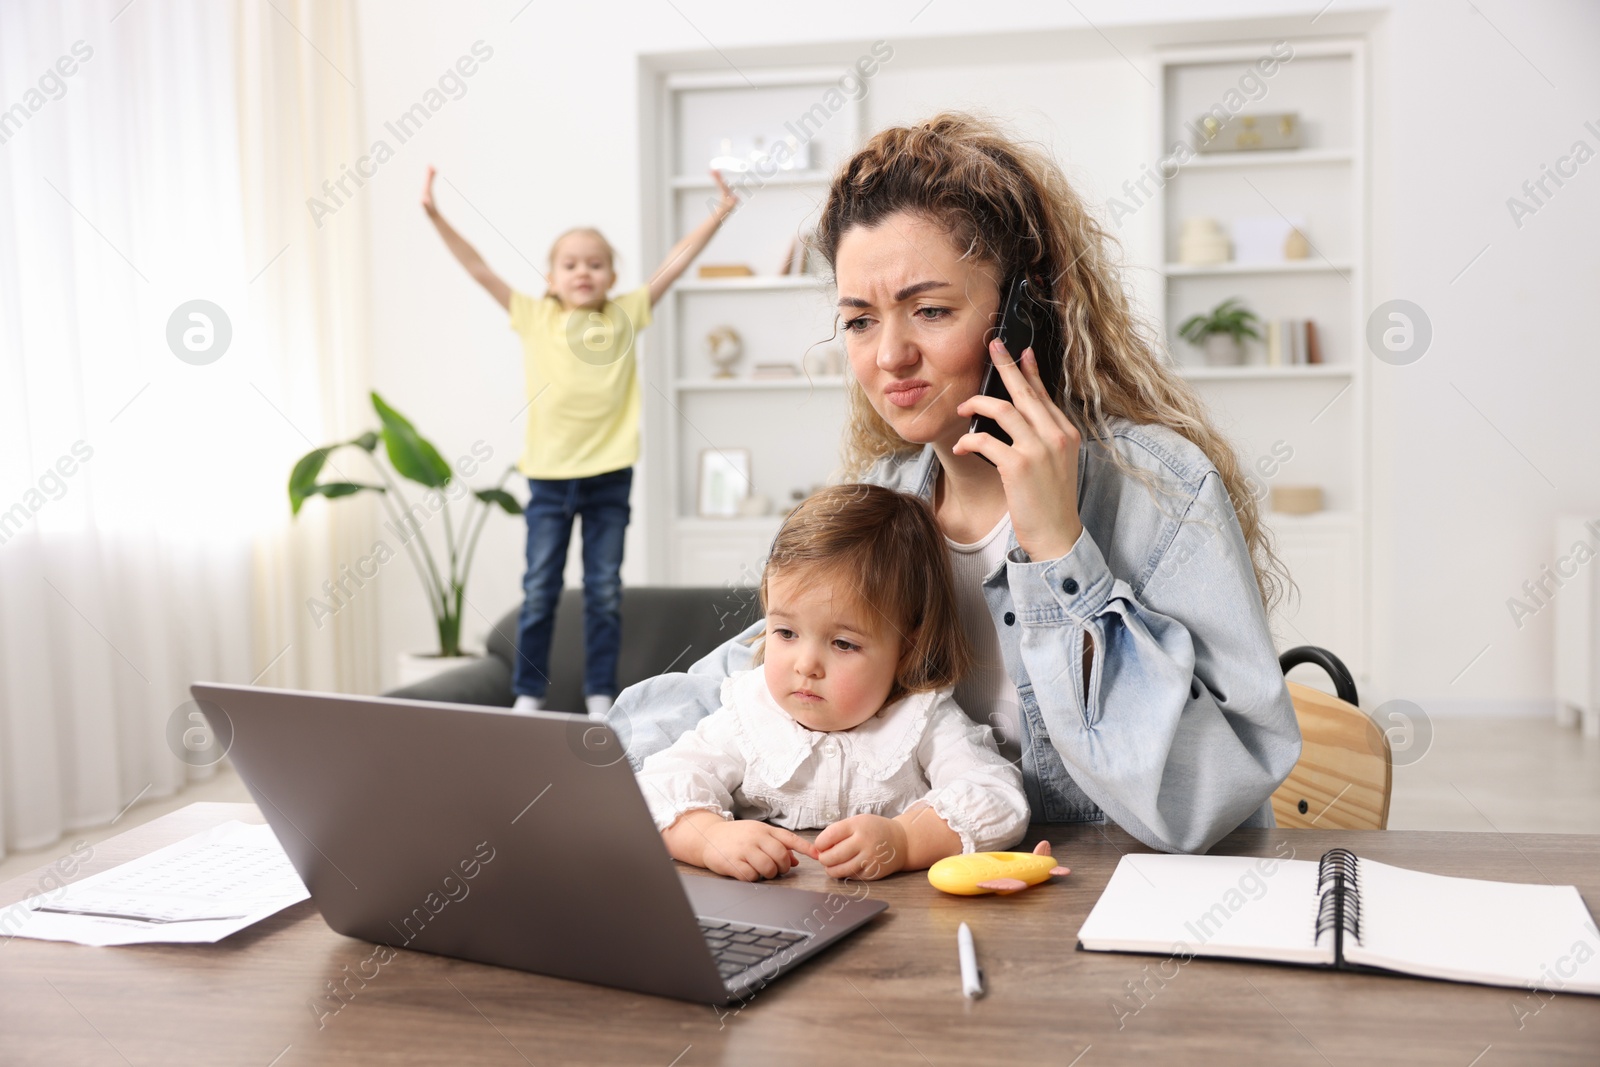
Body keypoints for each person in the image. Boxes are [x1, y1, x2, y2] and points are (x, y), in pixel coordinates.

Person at [611, 113, 1303, 855]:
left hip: (1124, 913)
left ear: (1023, 313)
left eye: (931, 310)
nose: (891, 356)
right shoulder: (890, 496)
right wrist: (575, 765)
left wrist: (1059, 550)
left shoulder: (1162, 490)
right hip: (936, 918)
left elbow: (1201, 805)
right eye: (860, 321)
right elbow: (743, 685)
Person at [422, 165, 737, 718]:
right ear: (550, 277)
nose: (583, 271)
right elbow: (477, 268)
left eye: (595, 263)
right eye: (570, 264)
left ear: (612, 276)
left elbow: (678, 262)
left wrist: (717, 213)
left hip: (609, 476)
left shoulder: (625, 314)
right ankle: (529, 691)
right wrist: (435, 215)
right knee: (541, 588)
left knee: (603, 593)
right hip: (547, 477)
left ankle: (599, 694)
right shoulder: (534, 316)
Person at [637, 484, 1029, 883]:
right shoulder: (749, 713)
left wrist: (905, 840)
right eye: (786, 633)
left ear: (907, 649)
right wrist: (711, 838)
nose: (806, 665)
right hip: (773, 907)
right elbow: (655, 789)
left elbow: (998, 796)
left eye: (843, 643)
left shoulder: (920, 718)